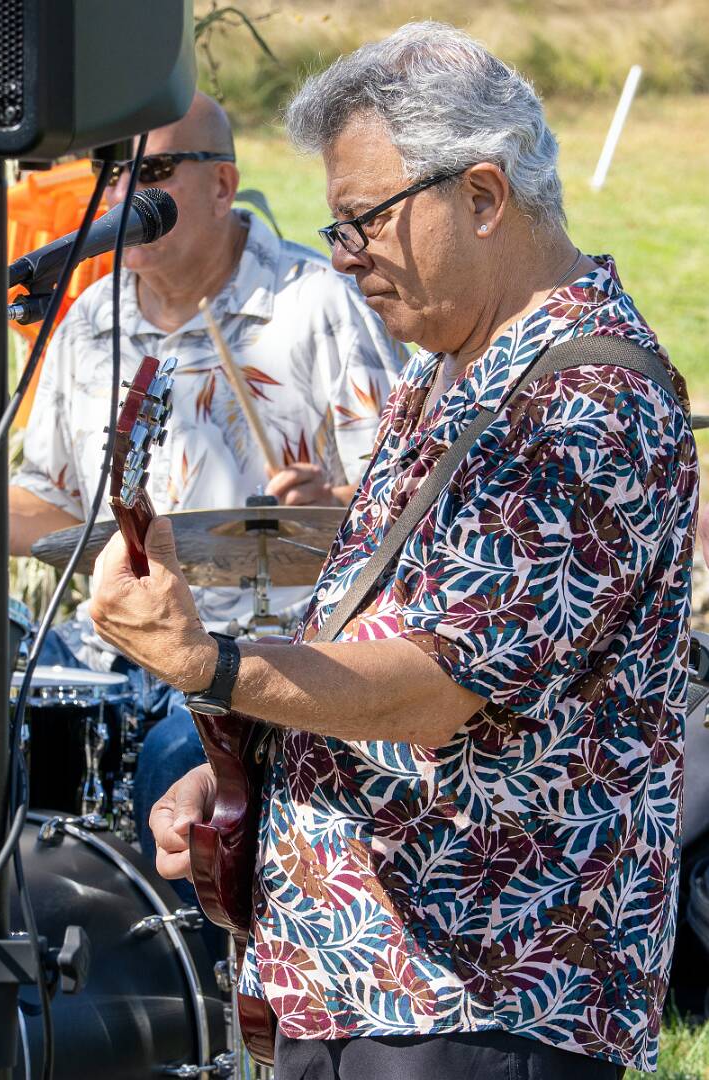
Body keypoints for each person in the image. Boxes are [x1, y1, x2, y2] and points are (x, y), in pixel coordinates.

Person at [89, 24, 697, 1080]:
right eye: (337, 226)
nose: (342, 254)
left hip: (479, 995)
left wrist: (211, 666)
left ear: (482, 196)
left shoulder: (585, 405)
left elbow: (434, 686)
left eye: (366, 220)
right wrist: (242, 768)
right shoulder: (454, 365)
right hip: (365, 976)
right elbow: (374, 626)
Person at [9, 92, 406, 892]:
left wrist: (335, 501)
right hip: (113, 648)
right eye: (111, 172)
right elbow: (53, 504)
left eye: (153, 170)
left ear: (222, 184)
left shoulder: (316, 305)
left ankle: (191, 960)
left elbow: (408, 502)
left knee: (174, 759)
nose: (125, 193)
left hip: (263, 658)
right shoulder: (89, 321)